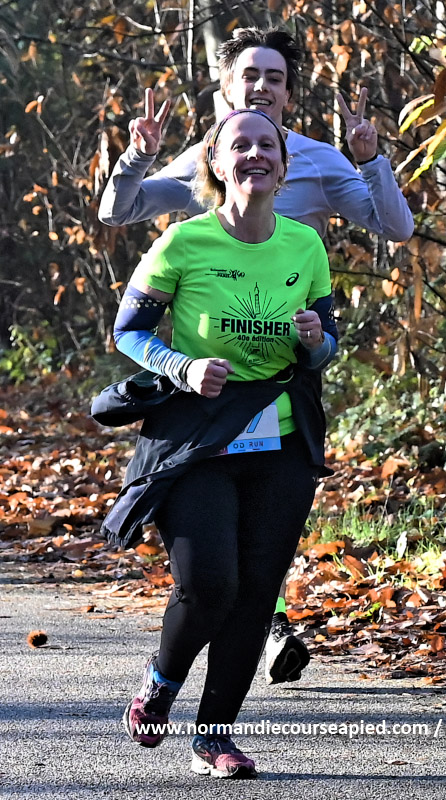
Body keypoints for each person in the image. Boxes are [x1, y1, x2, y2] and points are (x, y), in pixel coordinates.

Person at [99, 26, 414, 686]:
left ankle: (254, 631)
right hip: (208, 376)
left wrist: (370, 160)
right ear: (225, 88)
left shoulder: (316, 161)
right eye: (250, 74)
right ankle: (248, 627)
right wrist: (137, 156)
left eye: (275, 77)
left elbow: (394, 226)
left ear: (289, 96)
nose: (262, 86)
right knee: (217, 560)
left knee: (259, 530)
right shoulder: (206, 158)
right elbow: (118, 212)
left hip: (286, 367)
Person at [101, 107, 338, 779]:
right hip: (199, 439)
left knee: (257, 593)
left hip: (281, 442)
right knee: (210, 584)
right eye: (240, 145)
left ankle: (215, 737)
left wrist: (316, 342)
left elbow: (326, 343)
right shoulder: (184, 241)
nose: (254, 155)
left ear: (283, 167)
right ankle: (161, 682)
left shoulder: (306, 246)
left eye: (267, 146)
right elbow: (128, 331)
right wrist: (181, 367)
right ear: (217, 162)